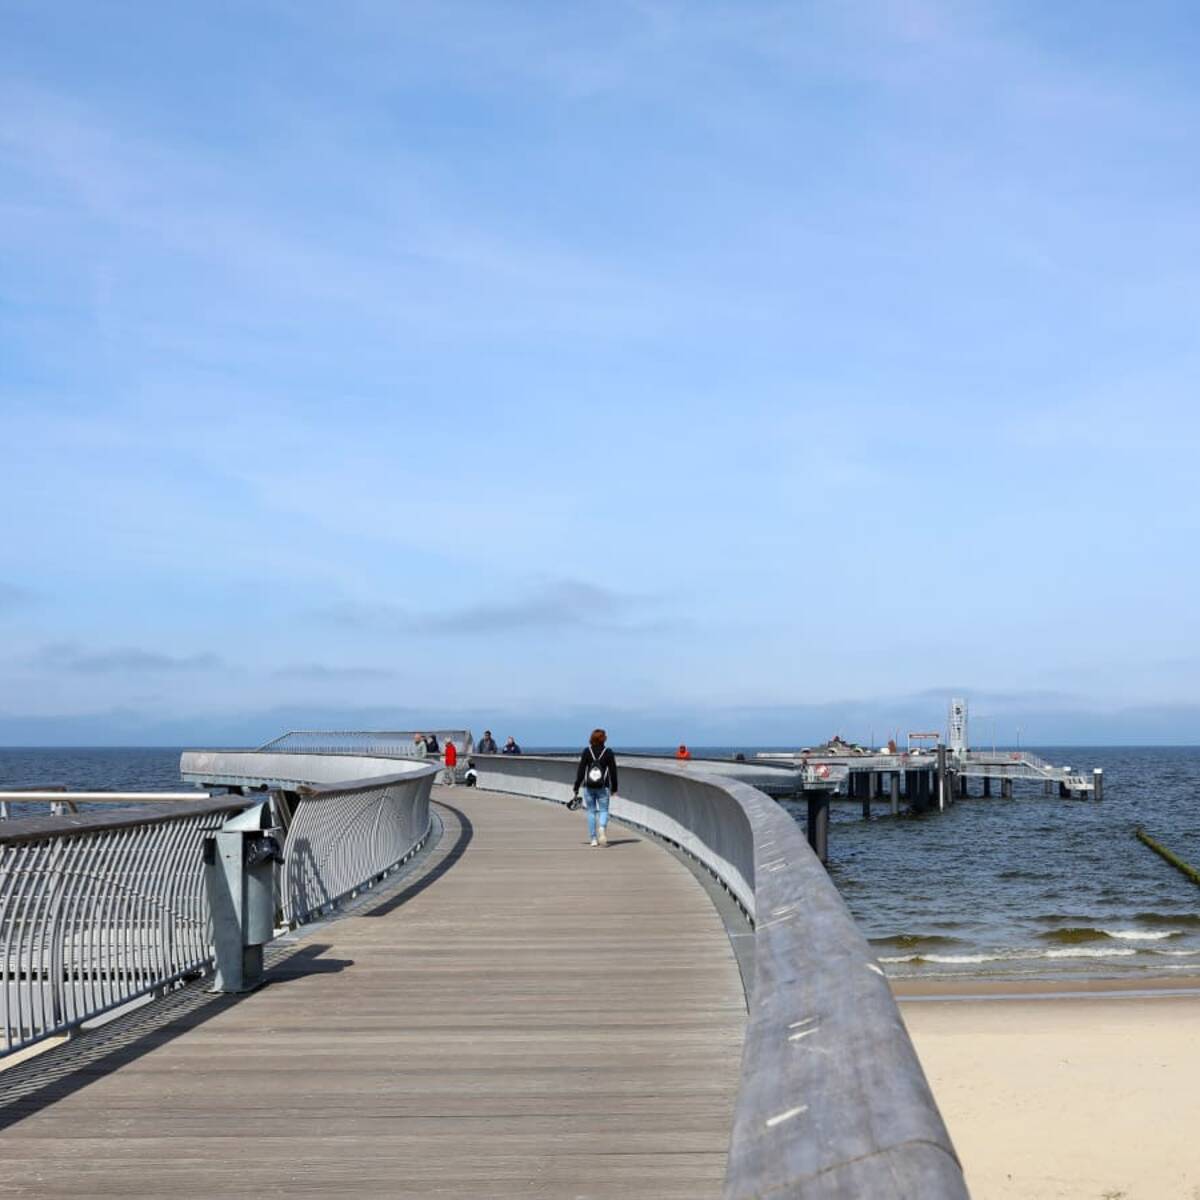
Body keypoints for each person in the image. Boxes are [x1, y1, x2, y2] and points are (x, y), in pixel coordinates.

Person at [571, 728, 619, 848]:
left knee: (591, 812)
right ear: (604, 739)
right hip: (603, 787)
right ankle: (602, 828)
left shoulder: (587, 751)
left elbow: (581, 771)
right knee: (603, 810)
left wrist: (576, 785)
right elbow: (613, 771)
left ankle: (593, 839)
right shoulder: (608, 752)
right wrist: (614, 787)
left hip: (589, 786)